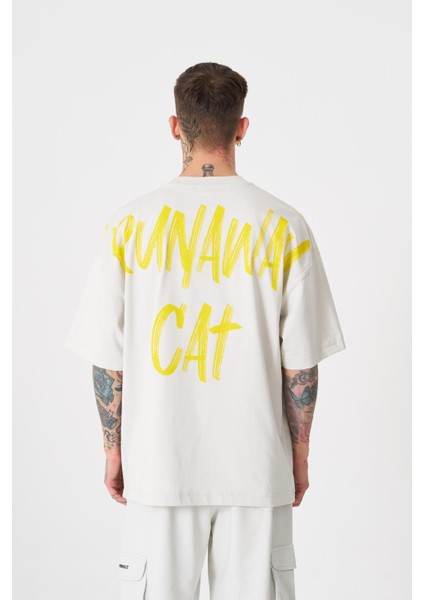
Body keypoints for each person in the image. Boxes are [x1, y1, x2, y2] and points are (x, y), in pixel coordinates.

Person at [64, 61, 346, 600]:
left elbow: (108, 360)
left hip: (160, 466)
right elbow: (301, 366)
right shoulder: (285, 225)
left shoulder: (128, 225)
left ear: (176, 127)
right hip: (257, 470)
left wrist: (114, 450)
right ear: (242, 128)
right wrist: (299, 455)